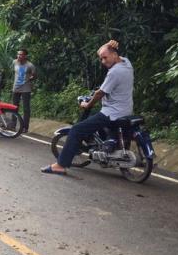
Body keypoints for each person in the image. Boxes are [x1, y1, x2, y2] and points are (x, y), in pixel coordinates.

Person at [41, 40, 132, 175]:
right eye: (101, 58)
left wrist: (87, 104)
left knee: (77, 130)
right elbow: (105, 52)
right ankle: (108, 145)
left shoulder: (114, 72)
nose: (102, 61)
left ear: (114, 55)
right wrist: (107, 45)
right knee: (97, 117)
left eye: (105, 58)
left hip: (112, 112)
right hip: (126, 110)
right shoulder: (127, 64)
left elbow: (100, 93)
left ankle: (60, 165)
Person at [12, 48, 36, 133]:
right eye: (18, 54)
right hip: (16, 88)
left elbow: (34, 75)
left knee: (26, 108)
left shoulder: (30, 65)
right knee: (14, 107)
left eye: (21, 54)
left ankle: (25, 127)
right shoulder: (14, 62)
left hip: (26, 88)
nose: (19, 56)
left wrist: (31, 78)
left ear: (25, 56)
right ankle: (13, 125)